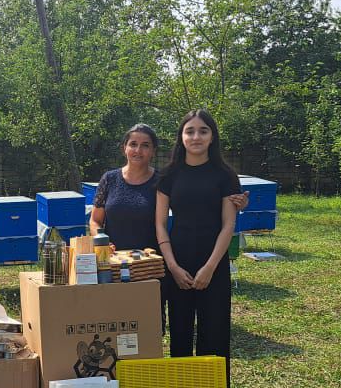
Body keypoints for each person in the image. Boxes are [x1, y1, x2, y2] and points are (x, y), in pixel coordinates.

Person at [90, 123, 246, 332]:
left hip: (152, 266)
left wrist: (236, 203)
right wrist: (102, 241)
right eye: (133, 144)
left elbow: (193, 203)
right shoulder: (109, 179)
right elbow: (95, 220)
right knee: (115, 323)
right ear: (124, 148)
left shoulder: (161, 179)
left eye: (145, 145)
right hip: (114, 264)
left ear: (154, 151)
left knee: (149, 328)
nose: (138, 150)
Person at [155, 109, 241, 388]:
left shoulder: (225, 176)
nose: (196, 136)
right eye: (190, 131)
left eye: (203, 130)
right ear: (181, 137)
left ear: (212, 136)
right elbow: (159, 223)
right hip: (177, 263)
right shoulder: (168, 175)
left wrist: (210, 268)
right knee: (179, 333)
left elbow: (228, 225)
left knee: (214, 334)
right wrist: (173, 266)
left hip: (213, 263)